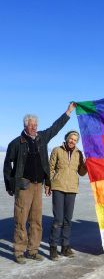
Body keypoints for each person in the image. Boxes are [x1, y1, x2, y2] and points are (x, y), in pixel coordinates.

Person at [3, 102, 76, 264]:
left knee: (36, 220)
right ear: (25, 126)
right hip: (24, 186)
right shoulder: (16, 143)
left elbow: (55, 128)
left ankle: (33, 250)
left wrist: (68, 112)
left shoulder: (42, 138)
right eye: (31, 126)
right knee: (21, 219)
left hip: (38, 185)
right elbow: (7, 166)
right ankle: (19, 252)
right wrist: (10, 185)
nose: (34, 128)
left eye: (36, 125)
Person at [46, 130, 87, 261]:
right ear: (67, 138)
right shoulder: (57, 150)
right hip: (58, 187)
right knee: (58, 219)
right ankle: (53, 247)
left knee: (68, 220)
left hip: (72, 188)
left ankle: (65, 246)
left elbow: (81, 172)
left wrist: (86, 165)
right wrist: (48, 185)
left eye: (75, 140)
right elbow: (50, 168)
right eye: (71, 138)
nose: (72, 141)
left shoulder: (79, 154)